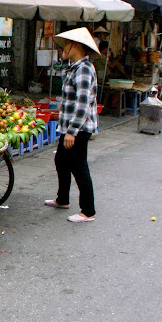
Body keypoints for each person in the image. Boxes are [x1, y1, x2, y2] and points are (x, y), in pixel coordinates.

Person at [44, 27, 99, 223]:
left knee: (79, 167)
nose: (64, 47)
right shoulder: (75, 67)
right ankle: (62, 199)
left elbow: (82, 103)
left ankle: (88, 211)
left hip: (78, 129)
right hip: (69, 127)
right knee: (61, 161)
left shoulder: (84, 69)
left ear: (77, 45)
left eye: (67, 44)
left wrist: (72, 132)